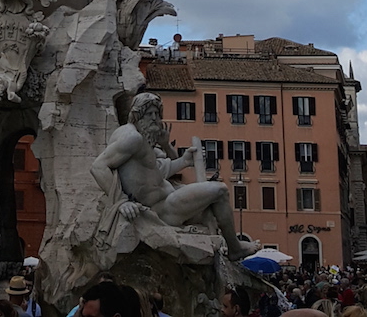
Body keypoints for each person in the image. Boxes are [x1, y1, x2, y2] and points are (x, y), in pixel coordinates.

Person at [90, 93, 258, 262]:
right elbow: (98, 167)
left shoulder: (139, 139)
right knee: (220, 190)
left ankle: (221, 249)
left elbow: (157, 170)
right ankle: (234, 247)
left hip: (170, 197)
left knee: (209, 206)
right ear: (137, 115)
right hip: (163, 209)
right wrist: (121, 201)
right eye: (150, 114)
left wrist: (181, 158)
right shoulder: (132, 138)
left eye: (157, 114)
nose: (155, 119)